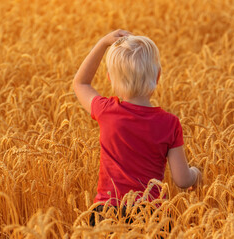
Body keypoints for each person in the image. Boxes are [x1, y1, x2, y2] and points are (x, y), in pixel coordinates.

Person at [73, 29, 202, 223]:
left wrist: (102, 43)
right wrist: (197, 175)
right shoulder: (169, 123)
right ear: (158, 76)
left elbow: (80, 83)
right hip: (151, 217)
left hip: (106, 214)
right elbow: (182, 180)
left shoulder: (106, 111)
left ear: (110, 78)